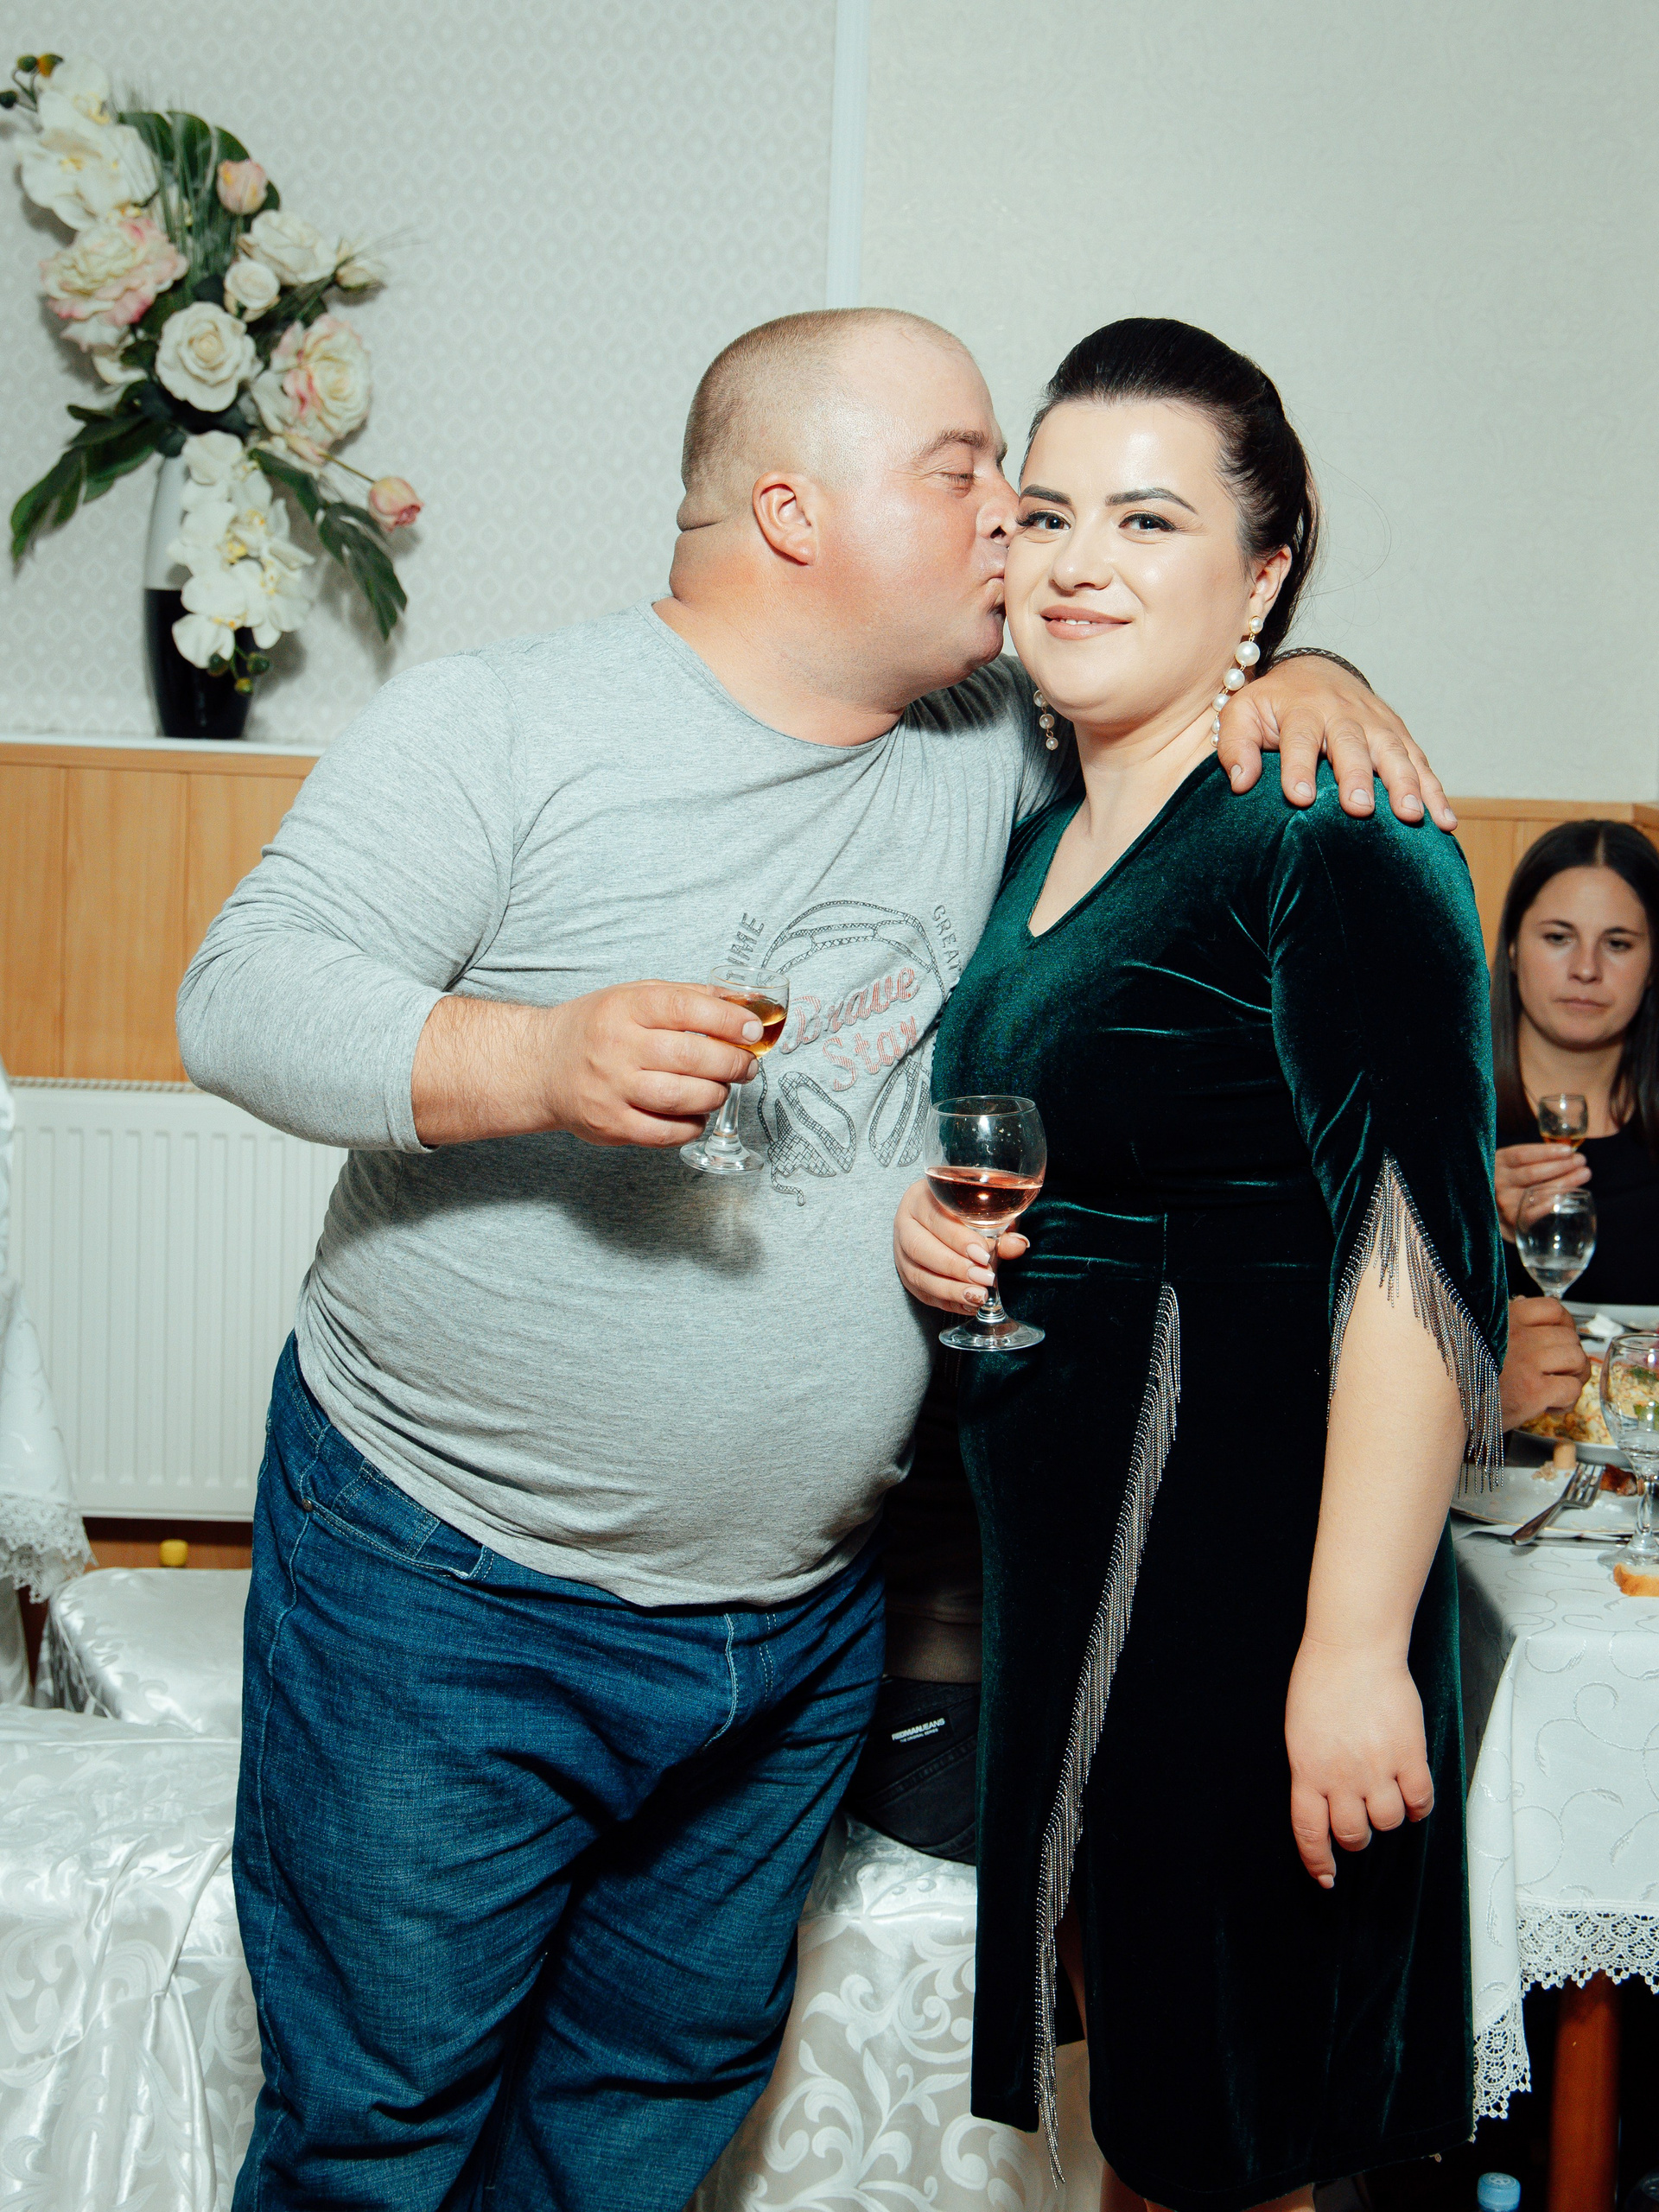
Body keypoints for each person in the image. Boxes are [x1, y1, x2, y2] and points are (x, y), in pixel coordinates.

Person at [178, 306, 1452, 2212]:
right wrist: (537, 1057)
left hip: (789, 1626)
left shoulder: (988, 742)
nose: (1017, 524)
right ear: (792, 510)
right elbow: (241, 995)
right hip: (452, 1587)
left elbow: (1187, 725)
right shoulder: (503, 723)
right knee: (380, 2124)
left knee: (645, 2108)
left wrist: (1316, 669)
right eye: (972, 478)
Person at [894, 318, 1506, 2210]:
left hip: (1248, 1590)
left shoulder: (1325, 827)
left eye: (1149, 521)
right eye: (1050, 513)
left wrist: (1352, 1653)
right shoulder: (1047, 839)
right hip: (1075, 1580)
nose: (1079, 561)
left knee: (1229, 2148)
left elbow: (1416, 1255)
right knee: (1155, 2128)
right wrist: (942, 1237)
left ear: (1265, 572)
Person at [1490, 820, 1659, 1306]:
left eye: (1618, 944)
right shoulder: (1440, 1115)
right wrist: (1468, 1220)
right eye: (1558, 937)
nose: (1586, 969)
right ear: (1514, 948)